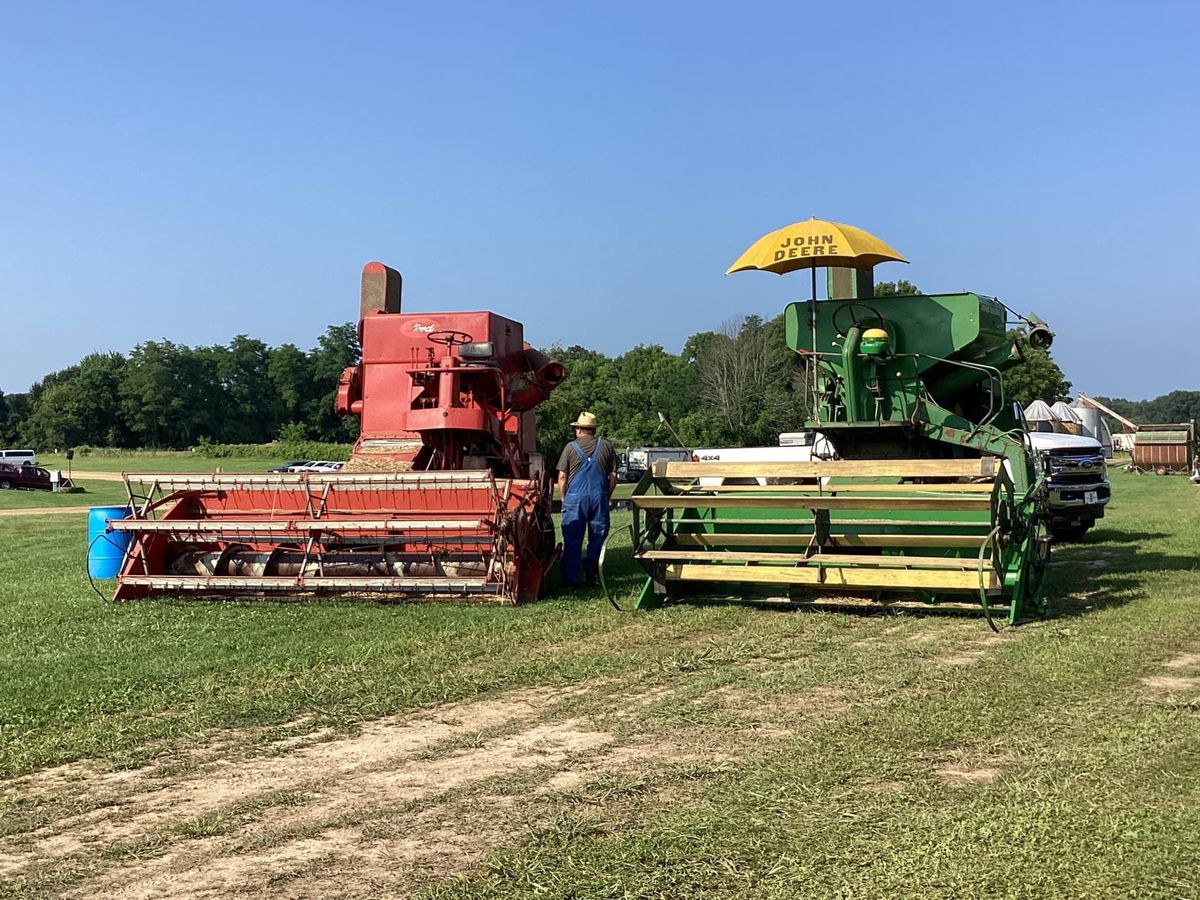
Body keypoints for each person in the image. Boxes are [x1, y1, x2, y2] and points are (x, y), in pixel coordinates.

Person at [556, 411, 618, 587]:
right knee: (598, 535)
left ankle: (572, 578)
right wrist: (607, 495)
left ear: (579, 430)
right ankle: (592, 570)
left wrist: (563, 498)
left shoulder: (570, 447)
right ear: (593, 430)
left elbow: (562, 476)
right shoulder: (606, 446)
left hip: (575, 499)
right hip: (599, 497)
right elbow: (613, 475)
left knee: (573, 537)